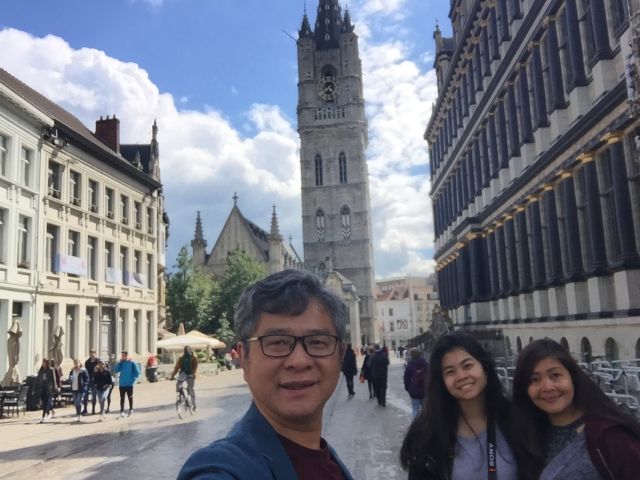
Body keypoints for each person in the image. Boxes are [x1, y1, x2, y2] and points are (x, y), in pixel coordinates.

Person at [178, 269, 354, 480]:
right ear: (243, 359)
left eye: (317, 342)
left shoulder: (327, 460)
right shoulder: (222, 470)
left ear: (340, 355)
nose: (299, 361)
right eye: (277, 342)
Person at [511, 338, 640, 480]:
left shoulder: (609, 436)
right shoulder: (526, 436)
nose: (547, 387)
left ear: (572, 376)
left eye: (555, 375)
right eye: (535, 379)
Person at [400, 332, 518, 480]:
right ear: (441, 381)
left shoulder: (515, 419)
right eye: (450, 372)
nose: (461, 376)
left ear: (485, 368)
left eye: (467, 365)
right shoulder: (426, 434)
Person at [112, 351, 140, 418]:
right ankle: (122, 411)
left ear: (126, 355)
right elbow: (116, 370)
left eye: (123, 355)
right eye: (122, 355)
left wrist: (133, 380)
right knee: (122, 398)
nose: (122, 357)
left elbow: (137, 372)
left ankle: (131, 409)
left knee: (130, 397)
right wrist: (118, 363)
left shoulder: (132, 362)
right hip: (122, 384)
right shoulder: (121, 363)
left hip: (129, 384)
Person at [171, 345, 198, 411]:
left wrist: (193, 374)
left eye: (188, 349)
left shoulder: (193, 358)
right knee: (178, 384)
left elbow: (195, 367)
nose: (186, 351)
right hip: (183, 373)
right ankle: (181, 396)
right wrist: (172, 376)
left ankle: (194, 405)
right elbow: (176, 368)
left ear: (190, 350)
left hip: (191, 373)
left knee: (191, 389)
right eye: (185, 350)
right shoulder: (181, 358)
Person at [404, 348, 427, 418]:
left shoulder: (409, 366)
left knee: (415, 409)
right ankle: (426, 425)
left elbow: (406, 379)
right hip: (425, 390)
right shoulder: (425, 364)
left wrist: (408, 389)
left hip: (414, 390)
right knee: (426, 410)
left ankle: (415, 426)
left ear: (412, 355)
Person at [83, 349, 100, 415]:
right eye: (91, 353)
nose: (92, 354)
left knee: (94, 395)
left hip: (95, 381)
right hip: (88, 380)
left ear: (95, 353)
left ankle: (93, 409)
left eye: (93, 353)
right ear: (89, 353)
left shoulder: (98, 361)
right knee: (85, 394)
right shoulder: (87, 362)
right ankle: (85, 409)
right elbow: (86, 371)